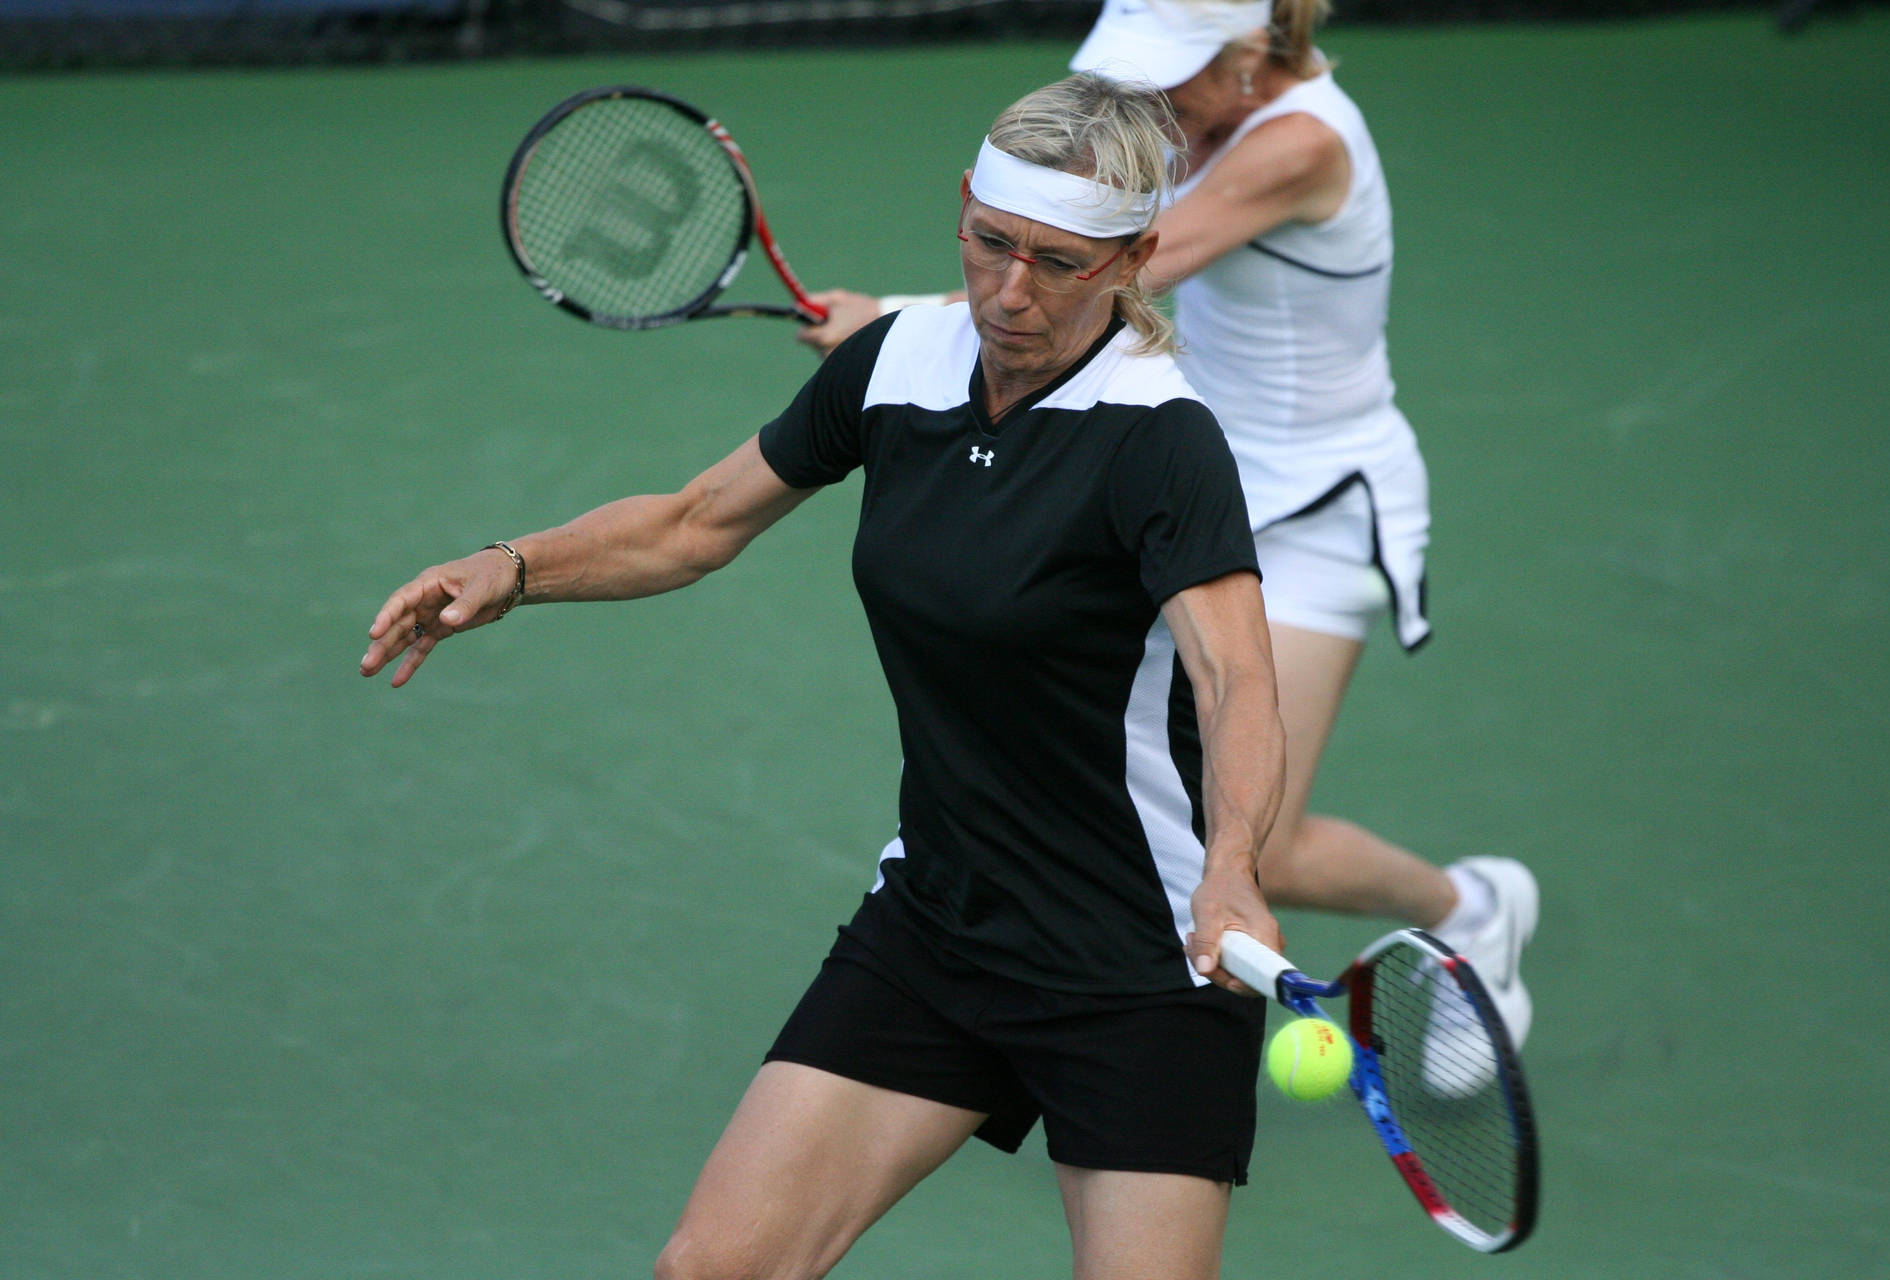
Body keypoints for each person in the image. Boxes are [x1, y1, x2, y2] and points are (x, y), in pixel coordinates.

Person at [363, 75, 1289, 1280]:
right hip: (944, 922)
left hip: (1141, 957)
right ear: (961, 209)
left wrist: (1231, 871)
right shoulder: (898, 360)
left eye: (1058, 263)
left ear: (1134, 257)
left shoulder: (1160, 439)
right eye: (992, 244)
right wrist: (515, 565)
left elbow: (1238, 683)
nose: (1012, 291)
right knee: (714, 1268)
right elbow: (695, 521)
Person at [797, 0, 1539, 1054]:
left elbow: (1142, 263)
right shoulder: (1193, 117)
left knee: (1258, 843)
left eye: (1178, 74)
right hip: (1178, 479)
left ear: (1255, 53)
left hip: (1312, 510)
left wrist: (892, 325)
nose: (1154, 102)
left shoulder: (1299, 143)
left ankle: (1469, 908)